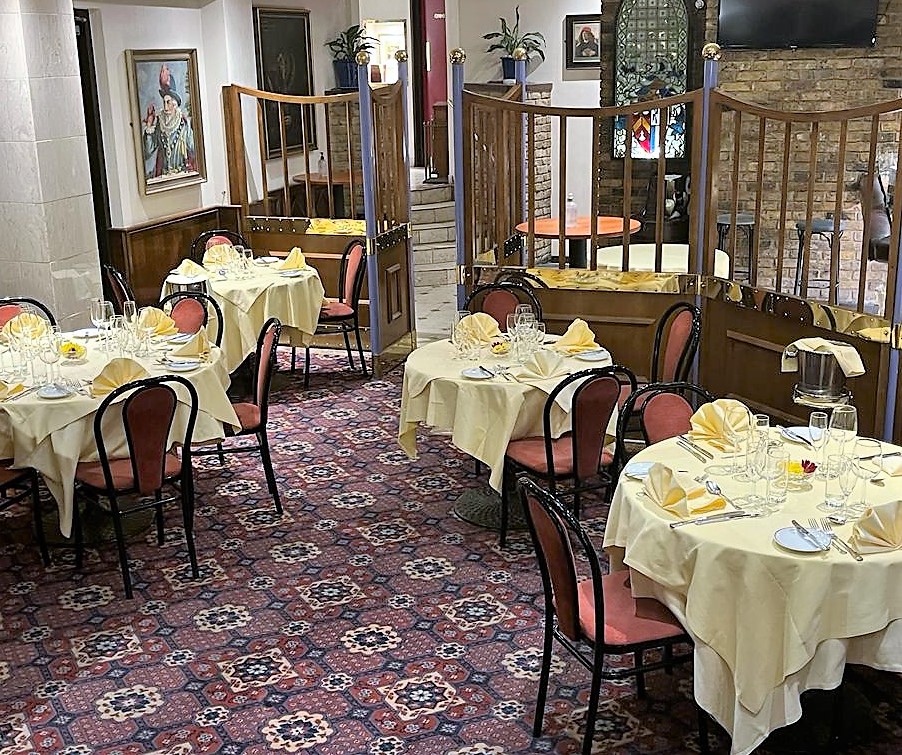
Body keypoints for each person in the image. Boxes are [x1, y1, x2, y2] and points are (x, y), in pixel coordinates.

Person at [143, 64, 196, 179]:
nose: (165, 108)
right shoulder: (159, 124)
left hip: (182, 176)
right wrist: (149, 126)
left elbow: (194, 148)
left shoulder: (183, 124)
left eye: (168, 103)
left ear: (175, 104)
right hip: (163, 177)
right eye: (164, 103)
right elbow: (147, 152)